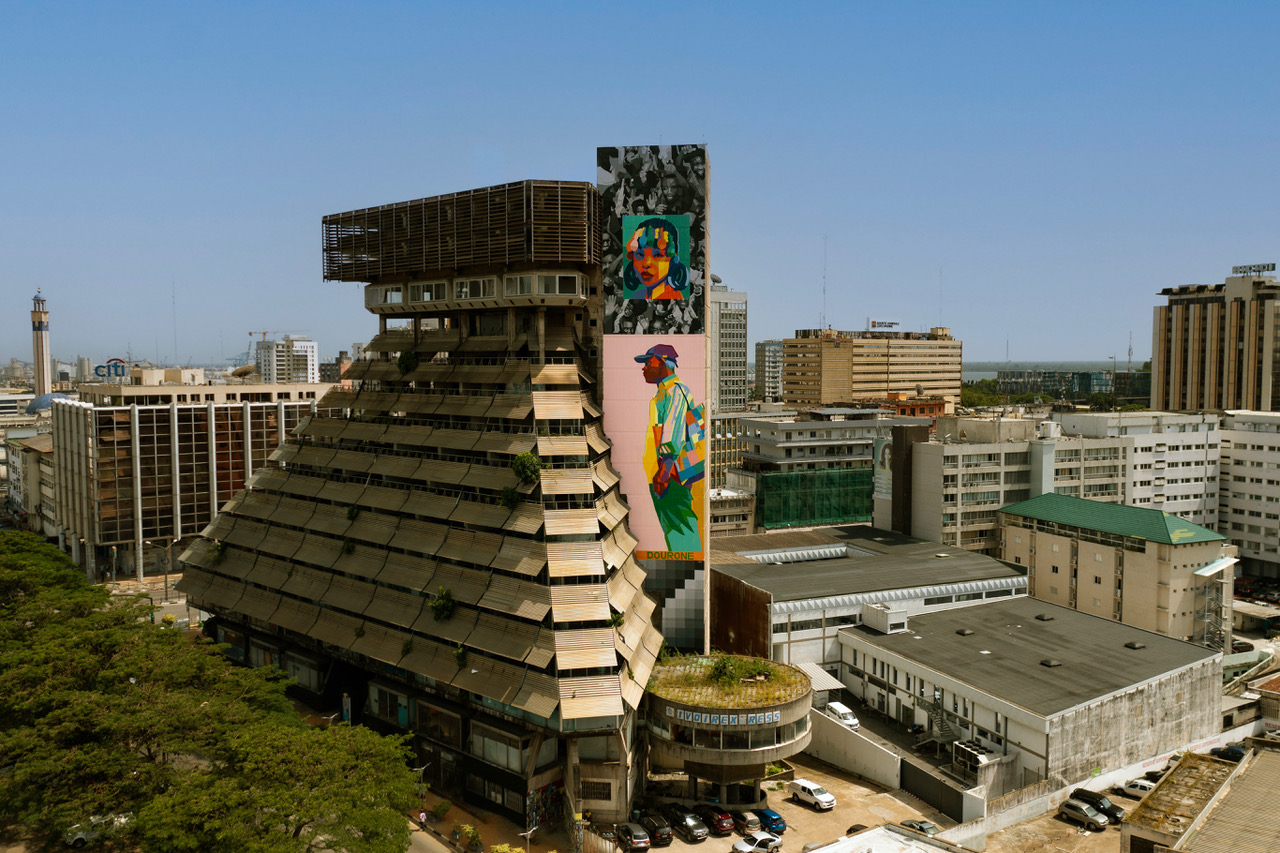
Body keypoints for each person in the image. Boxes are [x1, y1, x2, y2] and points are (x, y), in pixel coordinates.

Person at [635, 344, 705, 552]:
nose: (644, 368)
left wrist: (664, 472)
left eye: (648, 362)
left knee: (680, 527)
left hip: (671, 475)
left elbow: (673, 435)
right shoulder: (664, 392)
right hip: (665, 472)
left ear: (664, 362)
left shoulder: (675, 390)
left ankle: (687, 568)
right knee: (674, 526)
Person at [623, 218, 690, 300]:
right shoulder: (640, 295)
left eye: (658, 255)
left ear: (672, 259)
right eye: (640, 254)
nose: (646, 264)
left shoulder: (673, 298)